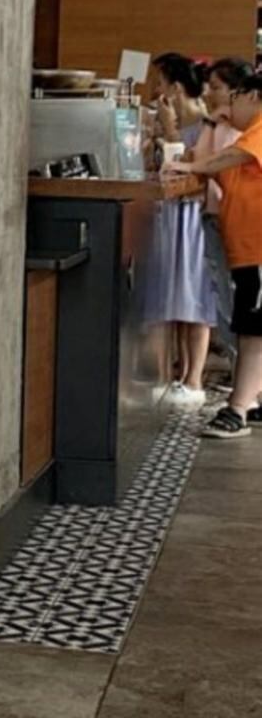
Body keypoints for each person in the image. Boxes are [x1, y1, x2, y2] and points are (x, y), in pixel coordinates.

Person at [162, 58, 262, 436]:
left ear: (253, 96)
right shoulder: (241, 135)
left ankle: (237, 409)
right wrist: (210, 125)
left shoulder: (257, 132)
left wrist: (192, 168)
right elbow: (211, 163)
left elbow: (227, 158)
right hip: (248, 250)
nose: (227, 107)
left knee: (253, 330)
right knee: (250, 327)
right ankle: (249, 400)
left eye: (232, 97)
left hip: (258, 248)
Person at [136, 51, 233, 398]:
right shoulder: (179, 126)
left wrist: (170, 130)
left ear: (175, 88)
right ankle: (173, 377)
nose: (156, 91)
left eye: (160, 83)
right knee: (172, 297)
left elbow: (189, 175)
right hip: (171, 217)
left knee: (194, 297)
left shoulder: (206, 127)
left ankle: (193, 380)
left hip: (192, 219)